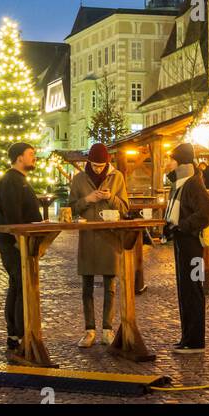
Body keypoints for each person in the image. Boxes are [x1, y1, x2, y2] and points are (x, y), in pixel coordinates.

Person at [68, 143, 129, 348]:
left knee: (110, 285)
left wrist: (110, 197)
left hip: (109, 237)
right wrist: (87, 199)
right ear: (88, 162)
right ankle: (89, 330)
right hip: (87, 236)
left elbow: (125, 208)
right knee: (86, 285)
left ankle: (107, 329)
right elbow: (71, 208)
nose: (97, 169)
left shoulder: (117, 177)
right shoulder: (78, 179)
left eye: (101, 165)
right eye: (94, 165)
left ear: (107, 163)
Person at [164, 142, 209, 353]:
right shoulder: (180, 183)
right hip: (182, 241)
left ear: (180, 161)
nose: (168, 162)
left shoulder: (192, 183)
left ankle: (195, 341)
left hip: (192, 243)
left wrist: (183, 226)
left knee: (193, 289)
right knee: (185, 289)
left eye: (171, 159)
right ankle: (187, 337)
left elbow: (207, 211)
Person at [0, 142, 42, 353]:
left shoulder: (17, 180)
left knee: (17, 285)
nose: (35, 158)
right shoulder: (11, 181)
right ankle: (22, 333)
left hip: (19, 242)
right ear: (19, 158)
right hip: (15, 244)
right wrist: (19, 240)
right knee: (22, 285)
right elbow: (14, 216)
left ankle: (14, 334)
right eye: (31, 154)